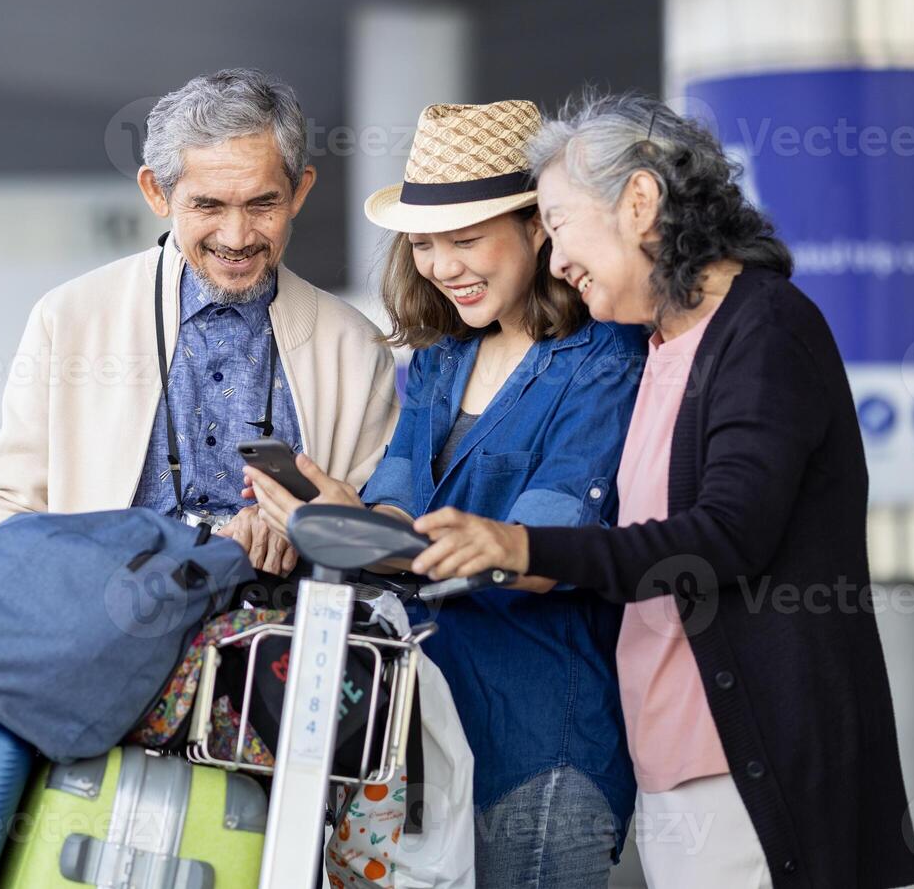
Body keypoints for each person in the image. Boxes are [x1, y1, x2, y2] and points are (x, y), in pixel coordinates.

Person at [408, 93, 914, 889]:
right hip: (679, 771)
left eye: (559, 223)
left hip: (753, 771)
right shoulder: (658, 348)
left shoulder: (765, 329)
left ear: (640, 203)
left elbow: (726, 535)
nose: (554, 261)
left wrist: (521, 545)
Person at [245, 101, 645, 887]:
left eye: (465, 239)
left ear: (539, 226)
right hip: (426, 739)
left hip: (541, 743)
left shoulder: (605, 358)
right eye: (424, 243)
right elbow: (399, 508)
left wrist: (354, 532)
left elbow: (538, 552)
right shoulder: (440, 359)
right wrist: (350, 520)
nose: (441, 264)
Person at [0, 68, 398, 577]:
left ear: (299, 192)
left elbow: (384, 536)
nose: (236, 238)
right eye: (207, 205)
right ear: (157, 193)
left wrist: (301, 529)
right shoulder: (69, 320)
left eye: (263, 204)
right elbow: (4, 515)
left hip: (285, 644)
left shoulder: (355, 345)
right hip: (111, 638)